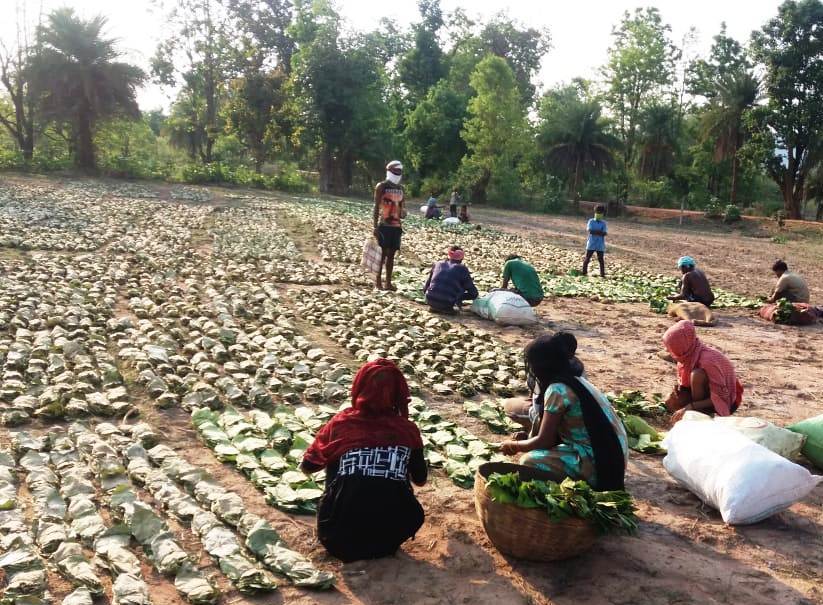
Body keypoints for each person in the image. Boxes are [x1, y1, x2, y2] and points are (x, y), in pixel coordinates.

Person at [301, 359, 426, 562]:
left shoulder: (341, 424)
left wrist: (350, 457)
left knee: (336, 456)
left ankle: (343, 511)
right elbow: (420, 480)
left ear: (359, 387)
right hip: (389, 538)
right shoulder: (407, 430)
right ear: (398, 393)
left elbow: (308, 467)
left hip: (336, 537)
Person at [500, 333, 628, 491]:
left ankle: (581, 483)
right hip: (615, 455)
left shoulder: (557, 390)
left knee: (528, 461)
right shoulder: (577, 380)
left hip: (598, 463)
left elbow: (545, 441)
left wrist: (515, 446)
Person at [662, 320, 743, 423]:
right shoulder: (687, 355)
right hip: (704, 393)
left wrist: (690, 406)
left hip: (727, 399)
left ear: (681, 344)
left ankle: (701, 414)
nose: (669, 351)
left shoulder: (708, 360)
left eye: (671, 348)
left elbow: (722, 396)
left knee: (696, 375)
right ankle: (696, 411)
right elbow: (684, 385)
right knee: (670, 401)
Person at [373, 160, 406, 291]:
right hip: (384, 225)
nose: (398, 174)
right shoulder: (381, 186)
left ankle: (388, 282)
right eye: (396, 171)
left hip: (396, 226)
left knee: (391, 255)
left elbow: (403, 208)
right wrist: (375, 226)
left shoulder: (401, 189)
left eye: (400, 172)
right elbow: (376, 207)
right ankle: (378, 281)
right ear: (390, 171)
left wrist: (403, 213)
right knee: (381, 254)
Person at [423, 246, 479, 314]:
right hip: (447, 302)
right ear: (462, 258)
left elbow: (426, 285)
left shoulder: (438, 264)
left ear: (449, 255)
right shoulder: (462, 269)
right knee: (462, 286)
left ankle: (434, 306)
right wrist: (460, 297)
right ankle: (447, 307)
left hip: (430, 299)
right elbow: (473, 293)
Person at [582, 205, 607, 277]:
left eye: (600, 212)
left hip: (600, 244)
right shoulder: (591, 221)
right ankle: (584, 273)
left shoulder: (603, 223)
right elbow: (590, 231)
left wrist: (596, 232)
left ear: (602, 214)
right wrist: (600, 232)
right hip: (591, 243)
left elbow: (604, 233)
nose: (599, 214)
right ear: (595, 212)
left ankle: (602, 274)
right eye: (598, 212)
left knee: (601, 260)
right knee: (587, 258)